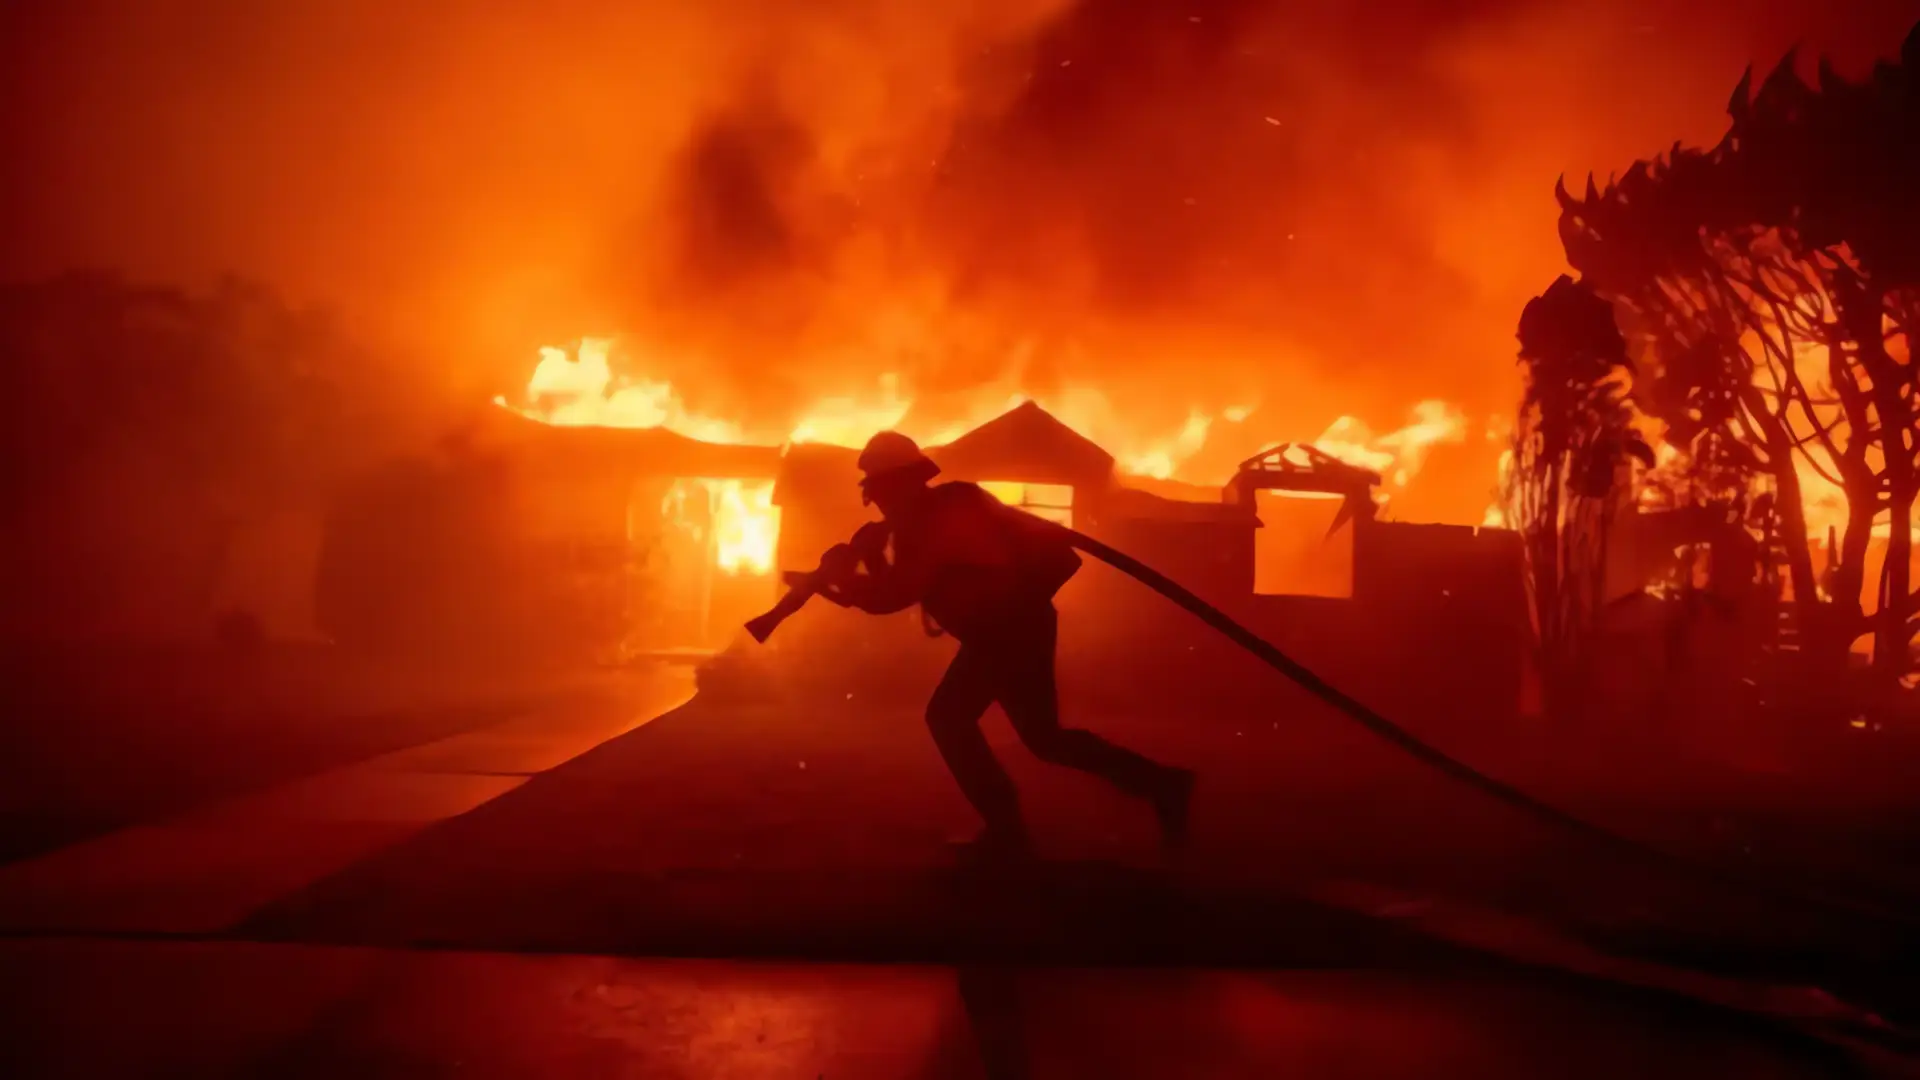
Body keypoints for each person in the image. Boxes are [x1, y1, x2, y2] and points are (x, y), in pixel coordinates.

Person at [818, 430, 1196, 860]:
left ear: (902, 483)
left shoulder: (937, 519)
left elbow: (893, 595)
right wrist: (866, 563)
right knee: (1044, 738)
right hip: (1010, 627)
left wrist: (853, 575)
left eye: (880, 490)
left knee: (948, 718)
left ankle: (1007, 832)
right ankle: (1164, 785)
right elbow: (902, 586)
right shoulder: (935, 511)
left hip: (1006, 629)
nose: (880, 503)